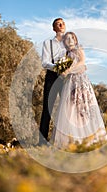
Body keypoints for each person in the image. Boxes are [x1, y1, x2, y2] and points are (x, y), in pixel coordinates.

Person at [50, 32, 107, 149]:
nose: (70, 40)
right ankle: (70, 139)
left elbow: (82, 62)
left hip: (80, 81)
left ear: (75, 40)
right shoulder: (66, 54)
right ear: (64, 42)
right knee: (70, 107)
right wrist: (63, 71)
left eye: (72, 38)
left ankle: (89, 138)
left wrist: (69, 70)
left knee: (83, 106)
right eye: (67, 38)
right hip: (70, 82)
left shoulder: (79, 49)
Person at [39, 18, 67, 146]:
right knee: (47, 108)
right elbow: (44, 62)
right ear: (54, 29)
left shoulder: (69, 43)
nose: (61, 25)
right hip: (51, 76)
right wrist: (58, 68)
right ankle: (42, 141)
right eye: (58, 24)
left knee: (66, 108)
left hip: (66, 78)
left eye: (62, 23)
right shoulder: (47, 43)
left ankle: (65, 141)